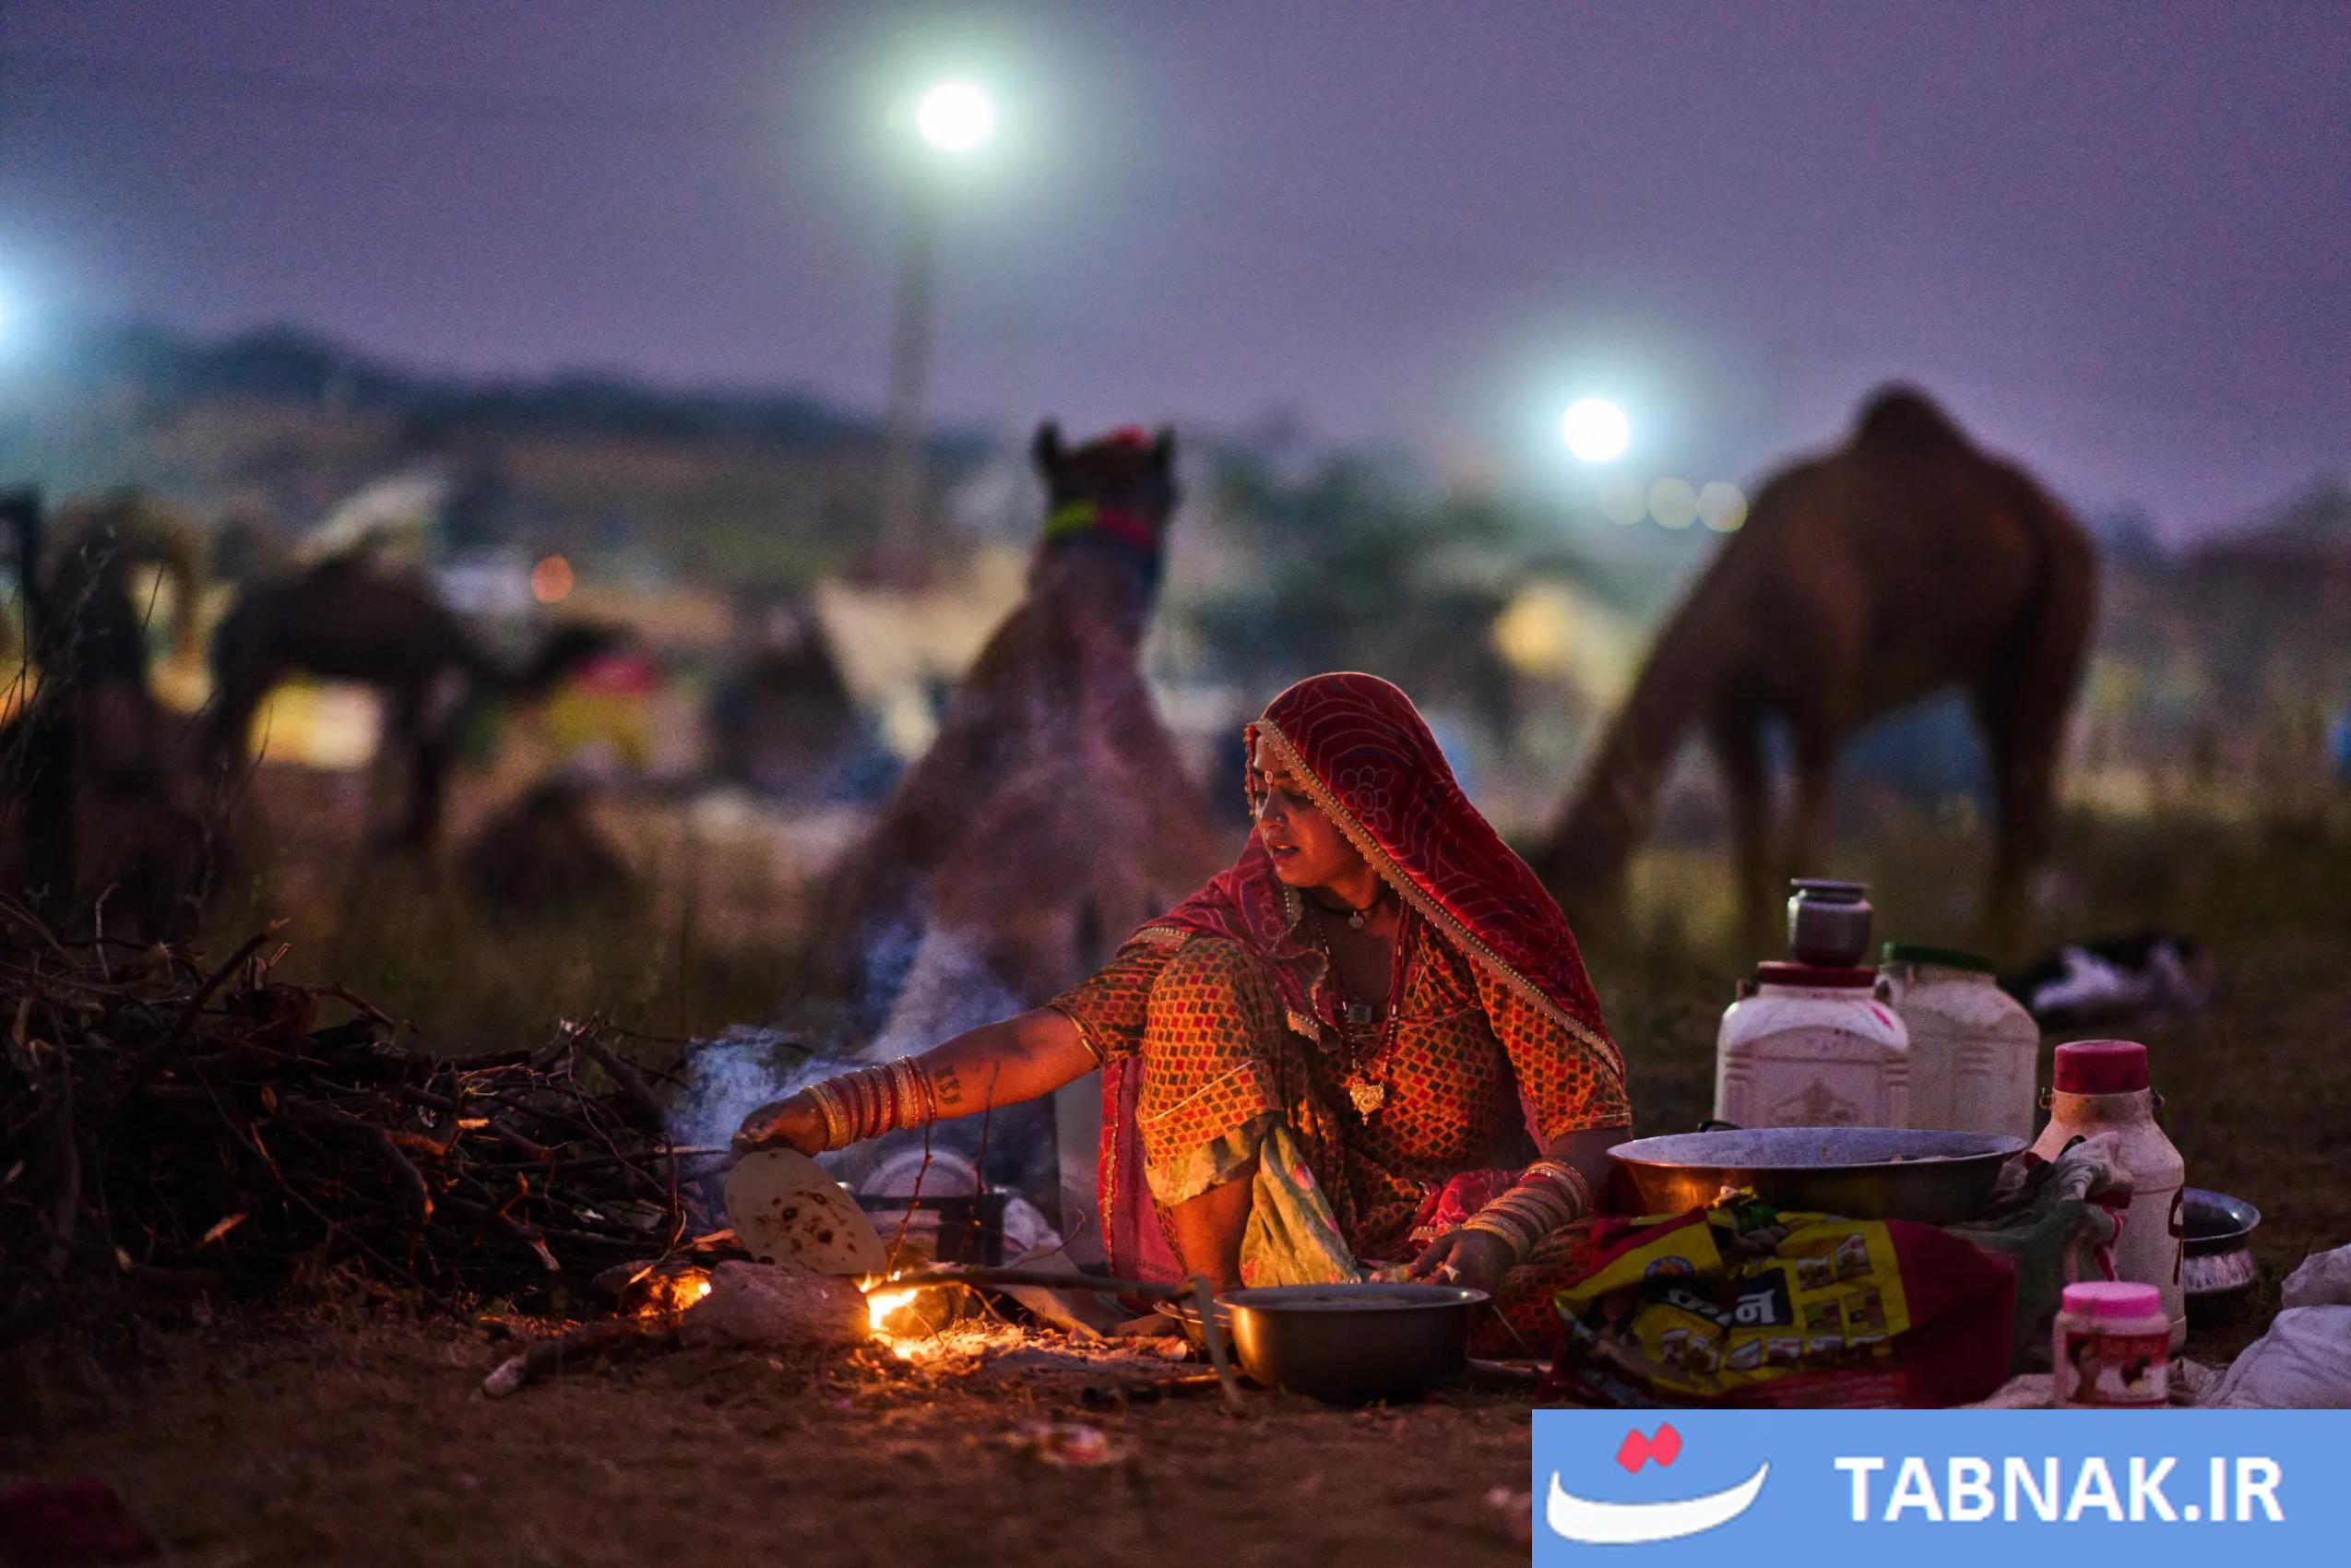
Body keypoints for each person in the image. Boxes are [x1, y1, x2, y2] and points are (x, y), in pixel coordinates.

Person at [735, 671, 1630, 1346]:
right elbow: (1048, 1038)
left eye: (1301, 797)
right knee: (1194, 978)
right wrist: (839, 1109)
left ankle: (1366, 1315)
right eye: (1261, 792)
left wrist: (1493, 1239)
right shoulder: (1242, 913)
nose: (1268, 820)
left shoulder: (1481, 920)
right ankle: (1219, 1319)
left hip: (1467, 1260)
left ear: (1374, 804)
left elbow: (1588, 1126)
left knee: (1609, 1287)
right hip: (1282, 1273)